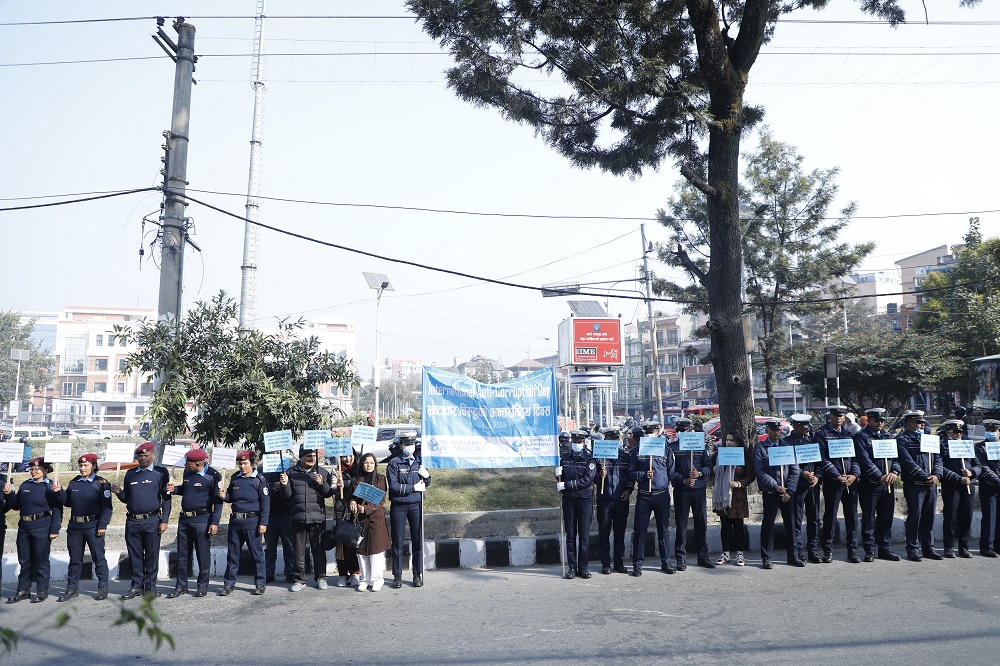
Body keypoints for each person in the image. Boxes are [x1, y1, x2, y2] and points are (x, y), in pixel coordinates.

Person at [112, 442, 171, 599]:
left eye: (146, 455)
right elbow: (126, 499)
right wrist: (118, 492)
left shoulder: (161, 473)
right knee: (135, 556)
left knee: (151, 556)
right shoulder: (130, 474)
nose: (143, 458)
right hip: (132, 522)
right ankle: (136, 586)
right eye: (140, 456)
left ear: (153, 455)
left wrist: (164, 520)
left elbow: (167, 498)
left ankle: (150, 587)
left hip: (152, 520)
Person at [3, 457, 64, 603]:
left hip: (42, 526)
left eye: (37, 469)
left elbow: (57, 510)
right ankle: (23, 590)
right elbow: (16, 505)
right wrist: (9, 494)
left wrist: (54, 529)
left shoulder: (50, 486)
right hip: (24, 527)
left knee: (41, 561)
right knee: (24, 560)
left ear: (46, 470)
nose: (34, 471)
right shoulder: (25, 485)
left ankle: (42, 591)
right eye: (32, 469)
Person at [165, 448, 223, 598]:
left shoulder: (213, 476)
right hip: (185, 519)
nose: (185, 465)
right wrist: (175, 489)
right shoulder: (188, 473)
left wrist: (215, 522)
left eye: (187, 463)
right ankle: (181, 586)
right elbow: (186, 489)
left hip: (202, 520)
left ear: (197, 464)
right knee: (183, 555)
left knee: (202, 555)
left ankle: (202, 586)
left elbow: (218, 502)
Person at [280, 445, 336, 591]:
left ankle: (321, 577)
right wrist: (284, 485)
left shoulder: (322, 472)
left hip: (317, 518)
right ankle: (299, 579)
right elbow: (286, 496)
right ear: (301, 457)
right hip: (298, 517)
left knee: (318, 550)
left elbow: (328, 493)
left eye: (314, 456)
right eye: (308, 456)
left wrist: (321, 483)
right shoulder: (290, 473)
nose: (312, 458)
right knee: (298, 551)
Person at [59, 453, 113, 602]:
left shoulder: (101, 483)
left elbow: (107, 508)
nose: (82, 468)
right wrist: (59, 491)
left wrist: (102, 525)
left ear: (94, 466)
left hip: (93, 526)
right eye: (81, 466)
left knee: (98, 558)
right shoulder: (74, 482)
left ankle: (102, 587)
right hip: (75, 526)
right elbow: (68, 502)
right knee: (75, 560)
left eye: (86, 465)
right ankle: (72, 588)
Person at [219, 449, 269, 596]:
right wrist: (224, 495)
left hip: (253, 522)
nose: (243, 466)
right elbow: (230, 497)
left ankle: (260, 583)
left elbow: (265, 504)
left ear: (252, 463)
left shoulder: (259, 480)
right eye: (240, 464)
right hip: (236, 522)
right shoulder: (235, 478)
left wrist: (263, 523)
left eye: (246, 463)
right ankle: (229, 584)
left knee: (257, 556)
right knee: (233, 555)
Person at [754, 419, 803, 569]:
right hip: (771, 492)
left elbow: (795, 470)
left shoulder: (787, 446)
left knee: (791, 524)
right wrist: (776, 486)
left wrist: (789, 489)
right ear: (767, 431)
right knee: (768, 525)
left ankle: (793, 556)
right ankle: (766, 557)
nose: (777, 433)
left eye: (779, 430)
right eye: (774, 430)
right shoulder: (761, 448)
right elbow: (759, 471)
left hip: (787, 493)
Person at [853, 408, 901, 561]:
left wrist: (894, 472)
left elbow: (896, 459)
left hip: (888, 483)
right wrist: (880, 476)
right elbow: (864, 460)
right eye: (876, 420)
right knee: (869, 519)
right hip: (871, 484)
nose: (880, 423)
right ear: (869, 420)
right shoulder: (861, 437)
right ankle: (869, 550)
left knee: (886, 517)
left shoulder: (888, 436)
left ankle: (885, 548)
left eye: (882, 420)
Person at [628, 422, 676, 576]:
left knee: (664, 530)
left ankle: (666, 562)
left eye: (652, 431)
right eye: (647, 432)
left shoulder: (666, 450)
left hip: (661, 494)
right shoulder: (636, 451)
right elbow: (631, 472)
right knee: (640, 530)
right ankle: (637, 564)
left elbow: (671, 472)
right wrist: (643, 475)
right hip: (644, 495)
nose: (650, 434)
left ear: (658, 433)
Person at [816, 405, 861, 564]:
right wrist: (837, 476)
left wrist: (854, 475)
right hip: (833, 482)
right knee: (830, 516)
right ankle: (828, 551)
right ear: (830, 417)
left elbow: (856, 458)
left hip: (850, 482)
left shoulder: (849, 434)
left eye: (840, 416)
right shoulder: (822, 434)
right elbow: (822, 459)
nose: (838, 418)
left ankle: (853, 551)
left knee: (852, 517)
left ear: (844, 418)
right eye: (835, 415)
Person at [896, 411, 943, 561]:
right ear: (909, 423)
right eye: (918, 422)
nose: (922, 425)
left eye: (923, 422)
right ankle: (912, 548)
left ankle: (928, 548)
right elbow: (908, 462)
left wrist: (936, 475)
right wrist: (925, 477)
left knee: (929, 518)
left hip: (931, 484)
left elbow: (938, 459)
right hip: (915, 484)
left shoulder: (928, 439)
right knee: (915, 517)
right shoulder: (902, 440)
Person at [670, 417, 715, 570]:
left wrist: (700, 473)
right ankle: (680, 558)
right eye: (681, 430)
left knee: (701, 524)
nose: (684, 433)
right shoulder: (673, 447)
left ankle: (703, 557)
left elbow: (709, 467)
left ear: (691, 430)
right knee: (681, 525)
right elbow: (671, 471)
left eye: (686, 430)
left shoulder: (700, 446)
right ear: (678, 432)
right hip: (682, 491)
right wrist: (683, 480)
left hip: (699, 490)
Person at [387, 433, 431, 588]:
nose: (409, 447)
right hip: (399, 506)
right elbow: (393, 487)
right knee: (398, 542)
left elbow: (427, 481)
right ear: (401, 446)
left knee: (417, 541)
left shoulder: (419, 461)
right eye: (406, 444)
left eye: (412, 444)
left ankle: (417, 574)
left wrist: (427, 477)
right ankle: (397, 576)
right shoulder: (394, 463)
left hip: (416, 505)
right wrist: (413, 488)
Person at [557, 429, 597, 579]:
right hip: (569, 500)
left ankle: (583, 568)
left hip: (584, 500)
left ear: (584, 442)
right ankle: (572, 568)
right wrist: (558, 476)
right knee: (571, 535)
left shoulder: (590, 459)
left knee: (584, 536)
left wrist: (566, 485)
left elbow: (587, 481)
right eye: (574, 442)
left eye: (579, 442)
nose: (576, 444)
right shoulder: (565, 458)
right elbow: (561, 482)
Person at [348, 453, 391, 591]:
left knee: (376, 551)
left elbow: (381, 500)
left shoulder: (380, 479)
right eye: (366, 462)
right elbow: (351, 497)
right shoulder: (356, 480)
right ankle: (365, 579)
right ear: (362, 464)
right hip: (360, 521)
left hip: (375, 519)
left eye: (371, 463)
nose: (369, 465)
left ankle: (377, 580)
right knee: (361, 551)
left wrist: (365, 508)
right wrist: (353, 503)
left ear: (375, 464)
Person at [784, 414, 822, 564]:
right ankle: (799, 551)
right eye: (802, 426)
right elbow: (786, 465)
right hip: (797, 485)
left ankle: (813, 550)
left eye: (807, 427)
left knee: (814, 520)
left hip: (813, 486)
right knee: (797, 521)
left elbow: (819, 463)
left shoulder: (812, 441)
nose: (806, 430)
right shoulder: (786, 443)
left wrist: (817, 477)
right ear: (795, 426)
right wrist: (802, 473)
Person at [712, 431, 755, 566]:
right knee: (725, 525)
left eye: (731, 440)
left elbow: (751, 475)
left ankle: (740, 554)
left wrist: (739, 484)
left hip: (738, 496)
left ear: (737, 442)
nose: (728, 443)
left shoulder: (744, 456)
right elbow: (712, 466)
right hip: (723, 495)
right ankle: (725, 554)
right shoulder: (721, 454)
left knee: (738, 526)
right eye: (727, 440)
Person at [596, 426, 633, 574]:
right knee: (604, 532)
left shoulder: (625, 456)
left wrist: (629, 490)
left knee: (620, 532)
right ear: (606, 439)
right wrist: (600, 476)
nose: (615, 441)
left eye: (616, 439)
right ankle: (605, 563)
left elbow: (631, 476)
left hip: (621, 500)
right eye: (612, 439)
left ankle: (619, 562)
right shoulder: (599, 457)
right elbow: (594, 479)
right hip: (604, 499)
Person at [939, 419, 978, 558]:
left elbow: (977, 465)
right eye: (955, 431)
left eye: (960, 432)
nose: (958, 434)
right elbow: (940, 467)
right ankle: (948, 546)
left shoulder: (967, 446)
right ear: (947, 432)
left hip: (968, 485)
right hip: (952, 486)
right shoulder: (942, 447)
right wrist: (957, 478)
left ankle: (964, 546)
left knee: (966, 516)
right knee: (950, 516)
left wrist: (972, 472)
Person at [262, 450, 295, 584]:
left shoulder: (290, 469)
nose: (277, 453)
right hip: (270, 513)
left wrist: (284, 485)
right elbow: (260, 487)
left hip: (287, 513)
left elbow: (294, 489)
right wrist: (270, 486)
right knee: (270, 547)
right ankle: (268, 573)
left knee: (289, 545)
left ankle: (291, 572)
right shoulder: (262, 469)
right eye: (274, 451)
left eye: (279, 451)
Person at [334, 453, 361, 588]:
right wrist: (337, 487)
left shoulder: (359, 469)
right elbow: (331, 489)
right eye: (344, 456)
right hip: (341, 510)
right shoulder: (336, 471)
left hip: (355, 511)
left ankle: (355, 573)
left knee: (354, 543)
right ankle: (343, 575)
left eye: (350, 455)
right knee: (342, 544)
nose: (348, 459)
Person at [975, 419, 1000, 557]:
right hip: (989, 486)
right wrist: (997, 480)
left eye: (993, 431)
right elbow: (982, 467)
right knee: (989, 517)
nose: (990, 433)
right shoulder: (980, 447)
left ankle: (998, 544)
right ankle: (986, 546)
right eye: (988, 431)